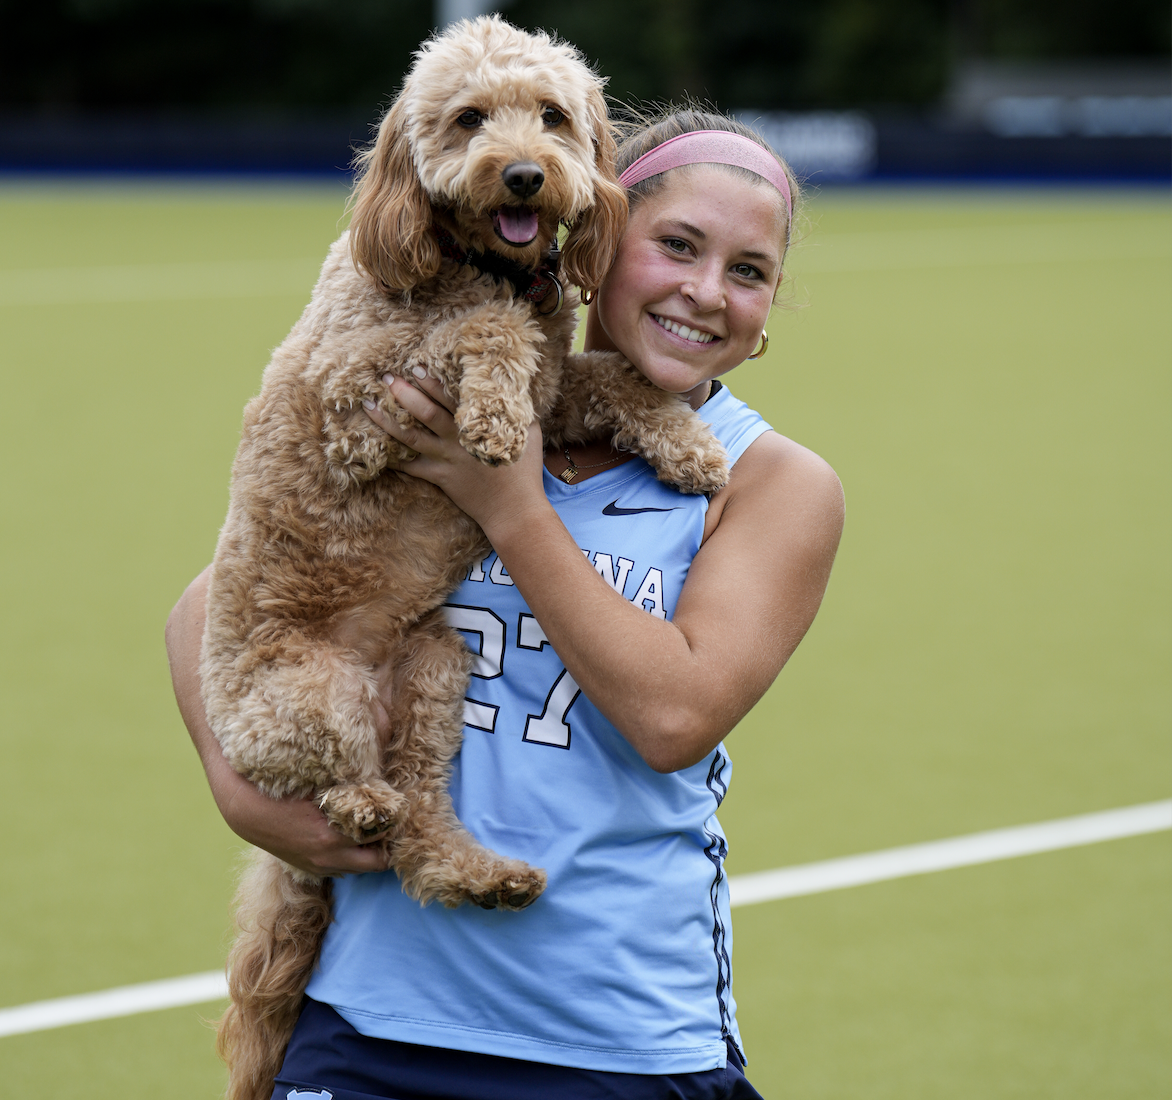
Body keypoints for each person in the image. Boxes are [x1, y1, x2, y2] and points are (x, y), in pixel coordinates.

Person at [166, 107, 844, 1100]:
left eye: (748, 273)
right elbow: (213, 603)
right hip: (368, 1024)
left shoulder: (767, 480)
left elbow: (672, 716)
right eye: (677, 247)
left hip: (616, 1041)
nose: (706, 293)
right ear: (595, 243)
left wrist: (511, 508)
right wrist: (240, 793)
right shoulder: (448, 405)